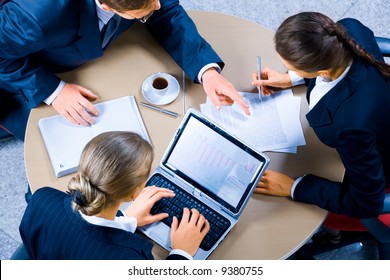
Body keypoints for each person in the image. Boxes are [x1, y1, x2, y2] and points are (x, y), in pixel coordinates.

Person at [0, 0, 249, 141]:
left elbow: (167, 12)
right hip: (28, 70)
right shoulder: (36, 17)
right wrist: (54, 91)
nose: (159, 3)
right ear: (108, 7)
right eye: (149, 5)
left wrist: (207, 72)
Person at [252, 12, 390, 256]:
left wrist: (295, 187)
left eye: (289, 65)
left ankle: (335, 238)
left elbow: (366, 202)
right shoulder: (347, 29)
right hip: (379, 118)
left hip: (380, 166)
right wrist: (291, 78)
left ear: (321, 71)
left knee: (301, 214)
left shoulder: (351, 127)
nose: (286, 68)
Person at [19, 131, 210, 259]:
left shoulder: (42, 198)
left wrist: (126, 221)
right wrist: (181, 253)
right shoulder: (127, 258)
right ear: (135, 193)